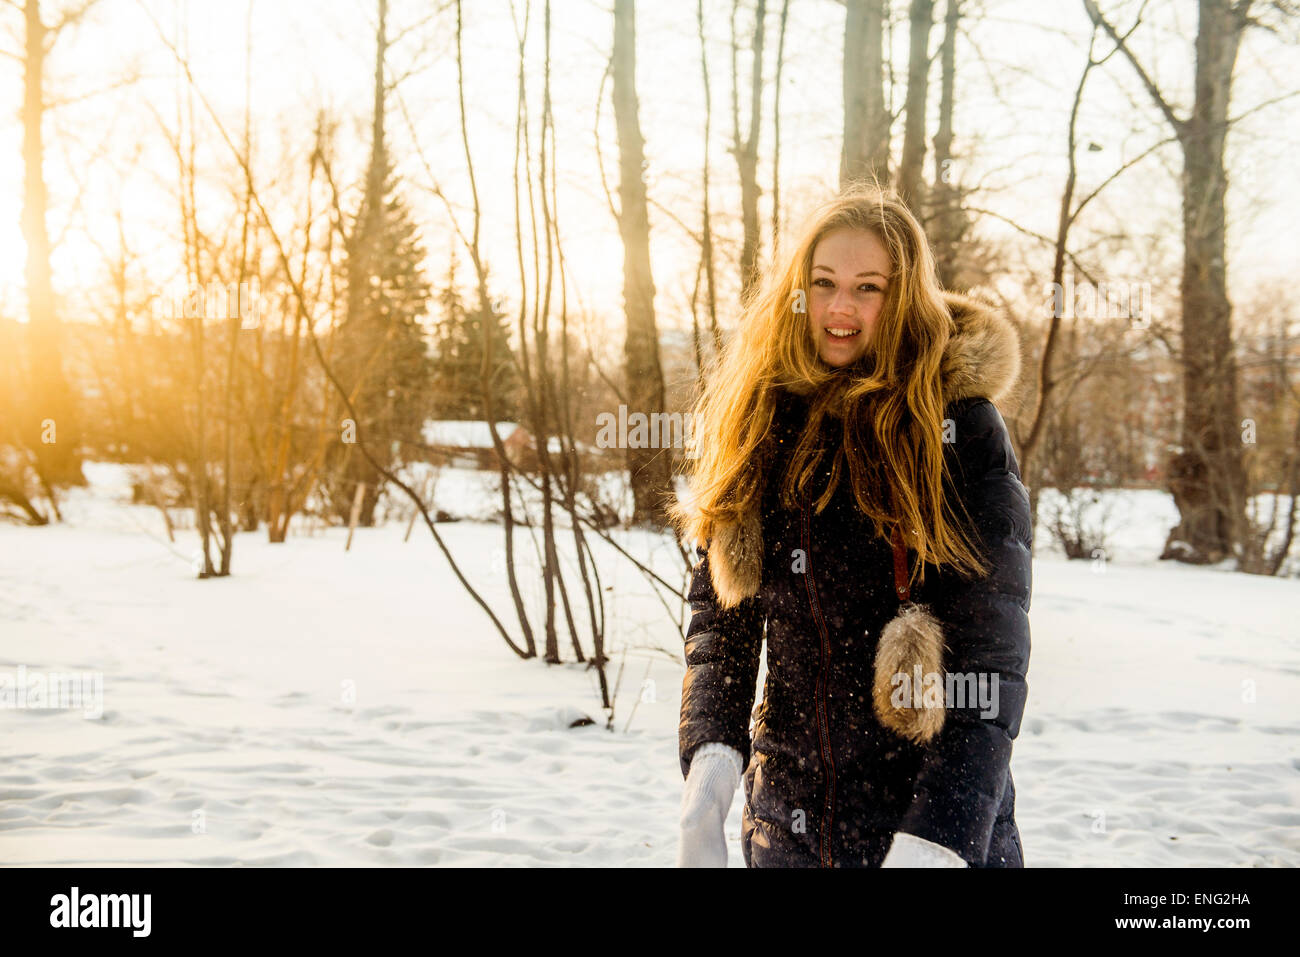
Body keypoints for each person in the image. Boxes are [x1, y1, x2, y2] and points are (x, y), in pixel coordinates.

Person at [669, 185, 1033, 868]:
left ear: (902, 299)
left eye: (869, 288)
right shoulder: (764, 416)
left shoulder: (958, 427)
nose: (840, 309)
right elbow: (723, 619)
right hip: (787, 828)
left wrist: (941, 834)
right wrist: (711, 760)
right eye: (824, 283)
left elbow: (991, 656)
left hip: (921, 832)